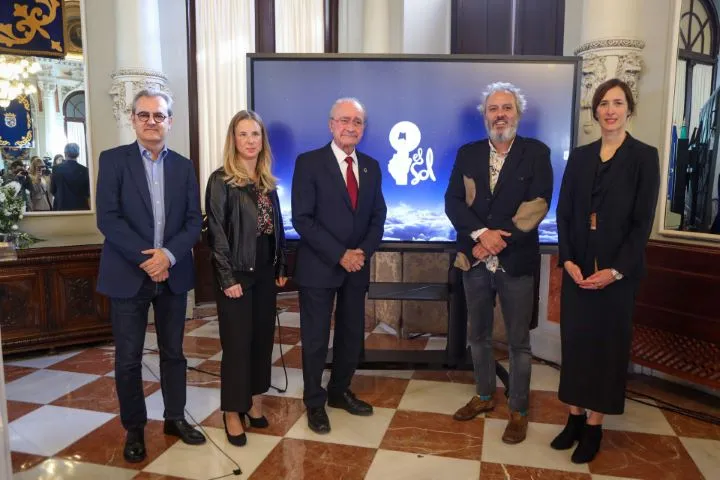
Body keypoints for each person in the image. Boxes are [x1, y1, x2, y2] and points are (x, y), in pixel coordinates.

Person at [553, 78, 660, 463]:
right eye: (603, 103)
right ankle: (574, 418)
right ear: (595, 110)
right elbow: (564, 213)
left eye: (617, 103)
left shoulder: (644, 157)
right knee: (576, 346)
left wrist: (615, 271)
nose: (610, 110)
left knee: (606, 349)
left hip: (617, 276)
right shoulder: (580, 157)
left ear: (629, 109)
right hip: (578, 270)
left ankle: (595, 426)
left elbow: (641, 223)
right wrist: (567, 259)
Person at [96, 89, 205, 463]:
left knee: (174, 353)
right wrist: (149, 259)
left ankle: (175, 418)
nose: (151, 121)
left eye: (159, 115)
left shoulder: (184, 166)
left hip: (173, 274)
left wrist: (168, 256)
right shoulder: (113, 161)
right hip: (129, 274)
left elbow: (194, 221)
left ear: (170, 121)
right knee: (128, 358)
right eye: (144, 114)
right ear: (133, 119)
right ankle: (135, 429)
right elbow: (108, 219)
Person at [445, 82, 553, 444]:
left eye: (507, 108)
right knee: (477, 335)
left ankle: (518, 410)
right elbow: (453, 202)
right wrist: (480, 235)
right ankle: (484, 394)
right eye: (493, 109)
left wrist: (495, 241)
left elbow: (537, 205)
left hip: (515, 262)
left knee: (518, 342)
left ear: (517, 114)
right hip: (474, 261)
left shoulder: (536, 153)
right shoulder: (468, 153)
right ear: (485, 116)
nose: (500, 115)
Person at [291, 97, 387, 434]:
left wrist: (361, 252)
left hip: (356, 268)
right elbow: (302, 219)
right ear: (331, 125)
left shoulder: (371, 166)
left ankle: (339, 391)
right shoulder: (309, 163)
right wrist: (340, 254)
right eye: (344, 120)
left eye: (357, 122)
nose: (351, 127)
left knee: (351, 334)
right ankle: (314, 401)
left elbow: (378, 216)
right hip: (319, 267)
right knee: (316, 339)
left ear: (363, 128)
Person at [205, 110, 288, 447]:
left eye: (255, 134)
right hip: (236, 273)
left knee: (261, 341)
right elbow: (215, 233)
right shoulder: (221, 180)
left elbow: (276, 229)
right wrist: (226, 278)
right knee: (237, 344)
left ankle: (253, 401)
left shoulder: (267, 181)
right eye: (243, 134)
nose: (250, 140)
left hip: (265, 272)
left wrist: (280, 267)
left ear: (262, 140)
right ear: (233, 139)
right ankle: (231, 411)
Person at [50, 143, 90, 210]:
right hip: (81, 207)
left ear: (65, 153)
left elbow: (53, 190)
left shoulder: (56, 169)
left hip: (61, 207)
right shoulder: (84, 170)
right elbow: (87, 192)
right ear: (78, 154)